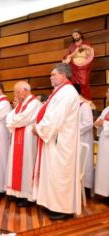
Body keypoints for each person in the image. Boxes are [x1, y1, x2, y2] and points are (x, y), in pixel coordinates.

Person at [32, 63, 81, 220]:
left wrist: (39, 128)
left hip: (61, 141)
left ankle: (63, 209)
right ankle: (52, 204)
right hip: (55, 139)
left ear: (63, 75)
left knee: (60, 174)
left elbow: (55, 118)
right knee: (53, 173)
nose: (50, 77)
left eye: (53, 74)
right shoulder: (60, 92)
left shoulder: (66, 93)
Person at [5, 81, 42, 206]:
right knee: (15, 164)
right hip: (18, 136)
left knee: (27, 164)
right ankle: (16, 192)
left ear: (26, 90)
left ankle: (28, 195)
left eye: (17, 92)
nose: (15, 95)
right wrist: (14, 121)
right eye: (15, 92)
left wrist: (14, 121)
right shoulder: (21, 105)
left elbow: (22, 119)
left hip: (28, 138)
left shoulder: (35, 103)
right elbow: (9, 117)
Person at [62, 29, 94, 100]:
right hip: (74, 67)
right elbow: (68, 55)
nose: (75, 37)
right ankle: (77, 98)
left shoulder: (86, 44)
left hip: (84, 66)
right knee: (75, 84)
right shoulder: (72, 46)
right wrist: (68, 58)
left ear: (80, 35)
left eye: (76, 35)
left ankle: (86, 99)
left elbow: (90, 53)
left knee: (84, 82)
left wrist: (86, 49)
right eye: (73, 36)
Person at [74, 84, 94, 190]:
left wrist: (73, 131)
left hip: (82, 139)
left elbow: (88, 123)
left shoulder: (84, 105)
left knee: (83, 164)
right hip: (72, 140)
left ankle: (85, 187)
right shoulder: (72, 106)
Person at [93, 87, 109, 198]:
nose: (106, 94)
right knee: (104, 168)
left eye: (108, 92)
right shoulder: (106, 109)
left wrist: (103, 123)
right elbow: (98, 121)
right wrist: (99, 123)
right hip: (104, 142)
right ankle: (105, 194)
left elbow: (102, 122)